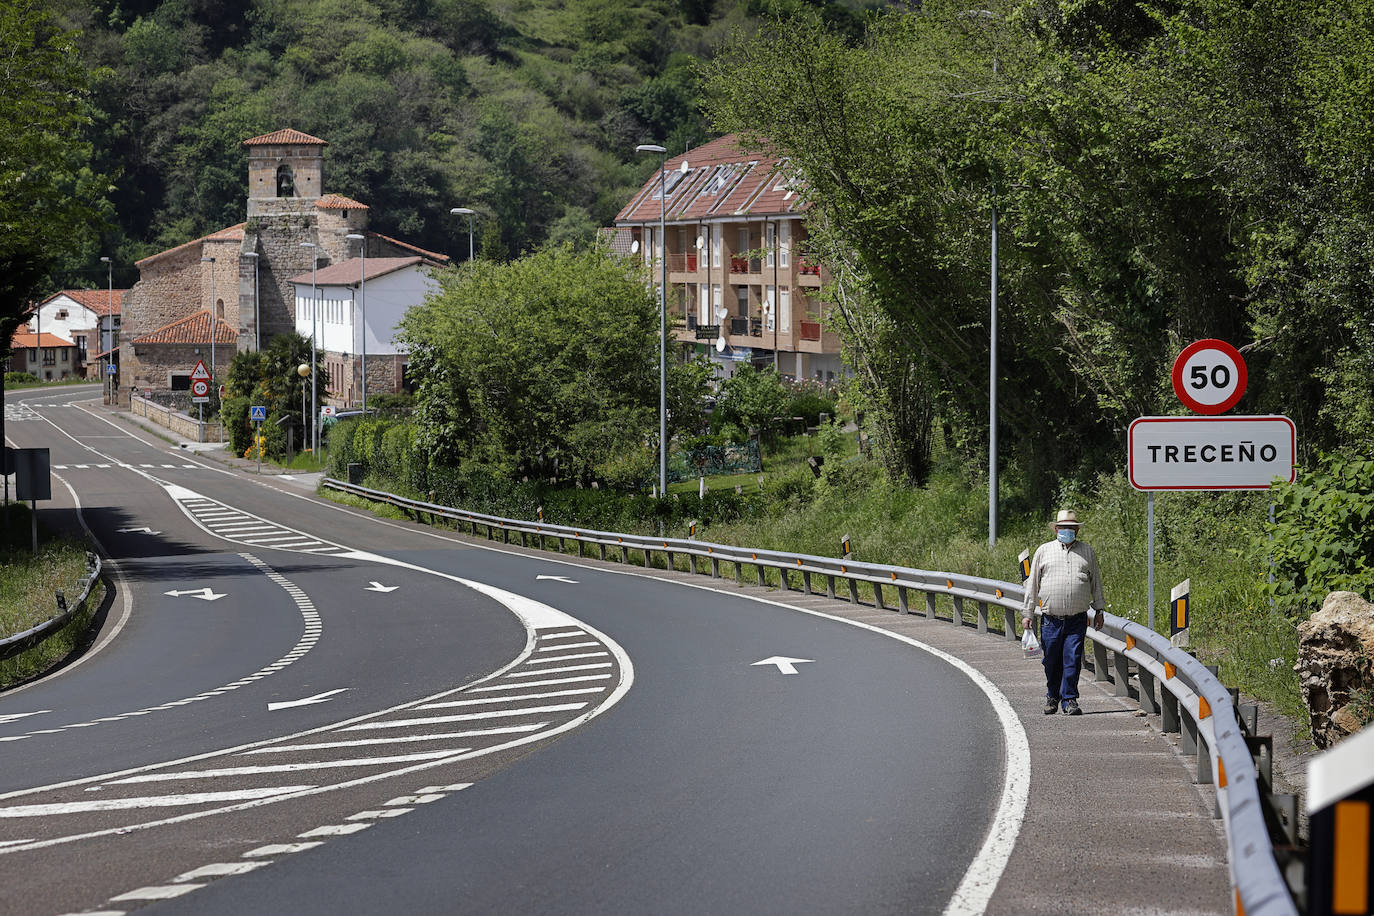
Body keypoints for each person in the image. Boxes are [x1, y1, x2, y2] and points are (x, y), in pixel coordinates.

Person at [1021, 509, 1105, 716]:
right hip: (1051, 619)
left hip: (1077, 618)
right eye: (1063, 527)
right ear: (1056, 529)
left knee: (1073, 659)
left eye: (1071, 527)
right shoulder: (1044, 551)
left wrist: (1100, 609)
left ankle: (1069, 699)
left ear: (1077, 530)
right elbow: (1032, 584)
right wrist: (1028, 613)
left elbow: (1096, 582)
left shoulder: (1087, 551)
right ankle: (1052, 696)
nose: (1067, 530)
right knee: (1051, 660)